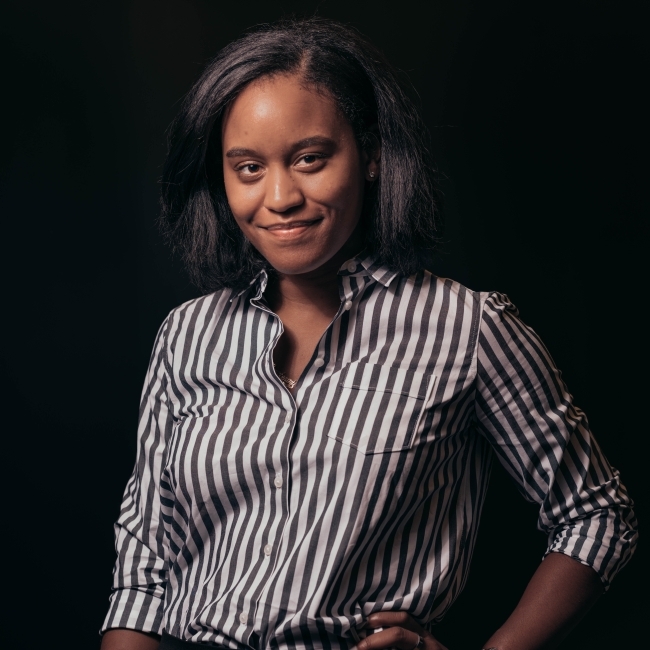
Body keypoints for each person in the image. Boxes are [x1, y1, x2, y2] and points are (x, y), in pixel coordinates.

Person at [100, 18, 638, 650]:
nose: (279, 197)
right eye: (248, 168)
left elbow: (598, 516)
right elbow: (143, 567)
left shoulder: (466, 329)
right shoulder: (187, 336)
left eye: (309, 159)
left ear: (372, 153)